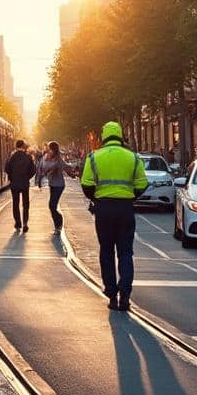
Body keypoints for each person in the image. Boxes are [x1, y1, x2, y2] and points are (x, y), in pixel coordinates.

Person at [80, 122, 148, 312]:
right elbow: (143, 184)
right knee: (126, 252)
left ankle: (111, 294)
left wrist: (97, 198)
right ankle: (125, 295)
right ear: (121, 135)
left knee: (106, 251)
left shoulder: (94, 157)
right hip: (125, 209)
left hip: (104, 209)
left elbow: (86, 184)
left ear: (103, 137)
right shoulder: (133, 157)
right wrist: (130, 197)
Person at [4, 139, 37, 232]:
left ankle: (18, 223)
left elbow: (7, 168)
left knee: (15, 203)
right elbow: (33, 170)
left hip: (14, 184)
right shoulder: (28, 157)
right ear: (23, 146)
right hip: (25, 183)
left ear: (16, 146)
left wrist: (12, 177)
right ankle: (25, 223)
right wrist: (27, 177)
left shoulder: (11, 156)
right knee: (26, 204)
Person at [38, 141, 68, 233]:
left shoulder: (58, 159)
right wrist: (39, 180)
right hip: (52, 184)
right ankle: (57, 226)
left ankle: (59, 222)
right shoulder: (46, 157)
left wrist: (73, 172)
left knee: (52, 205)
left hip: (59, 185)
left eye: (49, 148)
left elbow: (65, 167)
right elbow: (41, 168)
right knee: (52, 206)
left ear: (53, 149)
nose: (48, 149)